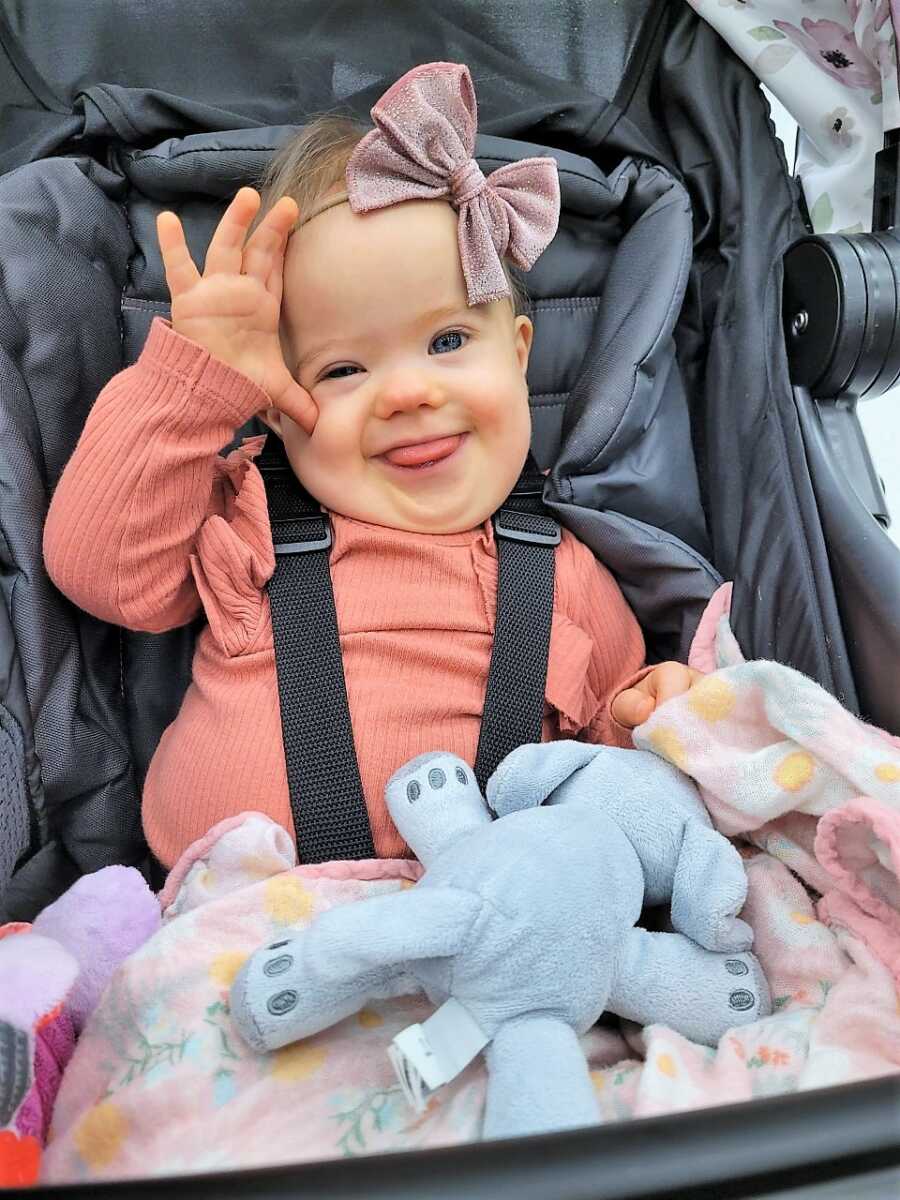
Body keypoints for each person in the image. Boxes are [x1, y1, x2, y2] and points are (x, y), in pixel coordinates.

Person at [42, 62, 701, 873]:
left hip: (488, 928)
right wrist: (196, 381)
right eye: (344, 370)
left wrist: (645, 717)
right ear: (279, 409)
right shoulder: (248, 515)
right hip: (250, 929)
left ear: (520, 360)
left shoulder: (566, 570)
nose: (408, 393)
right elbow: (101, 572)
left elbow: (603, 749)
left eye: (449, 342)